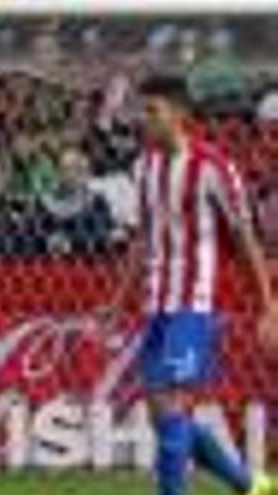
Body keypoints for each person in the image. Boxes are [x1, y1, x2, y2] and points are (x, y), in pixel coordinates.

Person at [104, 75, 278, 495]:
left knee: (172, 406)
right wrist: (119, 300)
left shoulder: (213, 167)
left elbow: (244, 238)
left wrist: (268, 306)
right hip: (155, 304)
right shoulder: (144, 166)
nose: (143, 120)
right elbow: (143, 237)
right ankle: (248, 484)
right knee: (161, 415)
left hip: (193, 305)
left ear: (180, 115)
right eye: (142, 111)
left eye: (152, 111)